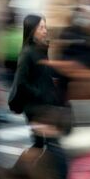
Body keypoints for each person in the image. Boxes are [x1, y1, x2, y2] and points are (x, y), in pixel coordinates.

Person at [8, 15, 60, 146]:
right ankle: (31, 164)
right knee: (41, 142)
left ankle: (38, 163)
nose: (45, 31)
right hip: (34, 107)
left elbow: (41, 74)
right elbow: (21, 83)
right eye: (41, 28)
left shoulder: (41, 49)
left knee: (46, 142)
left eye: (45, 27)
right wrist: (39, 93)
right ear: (32, 30)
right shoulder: (27, 53)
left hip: (45, 104)